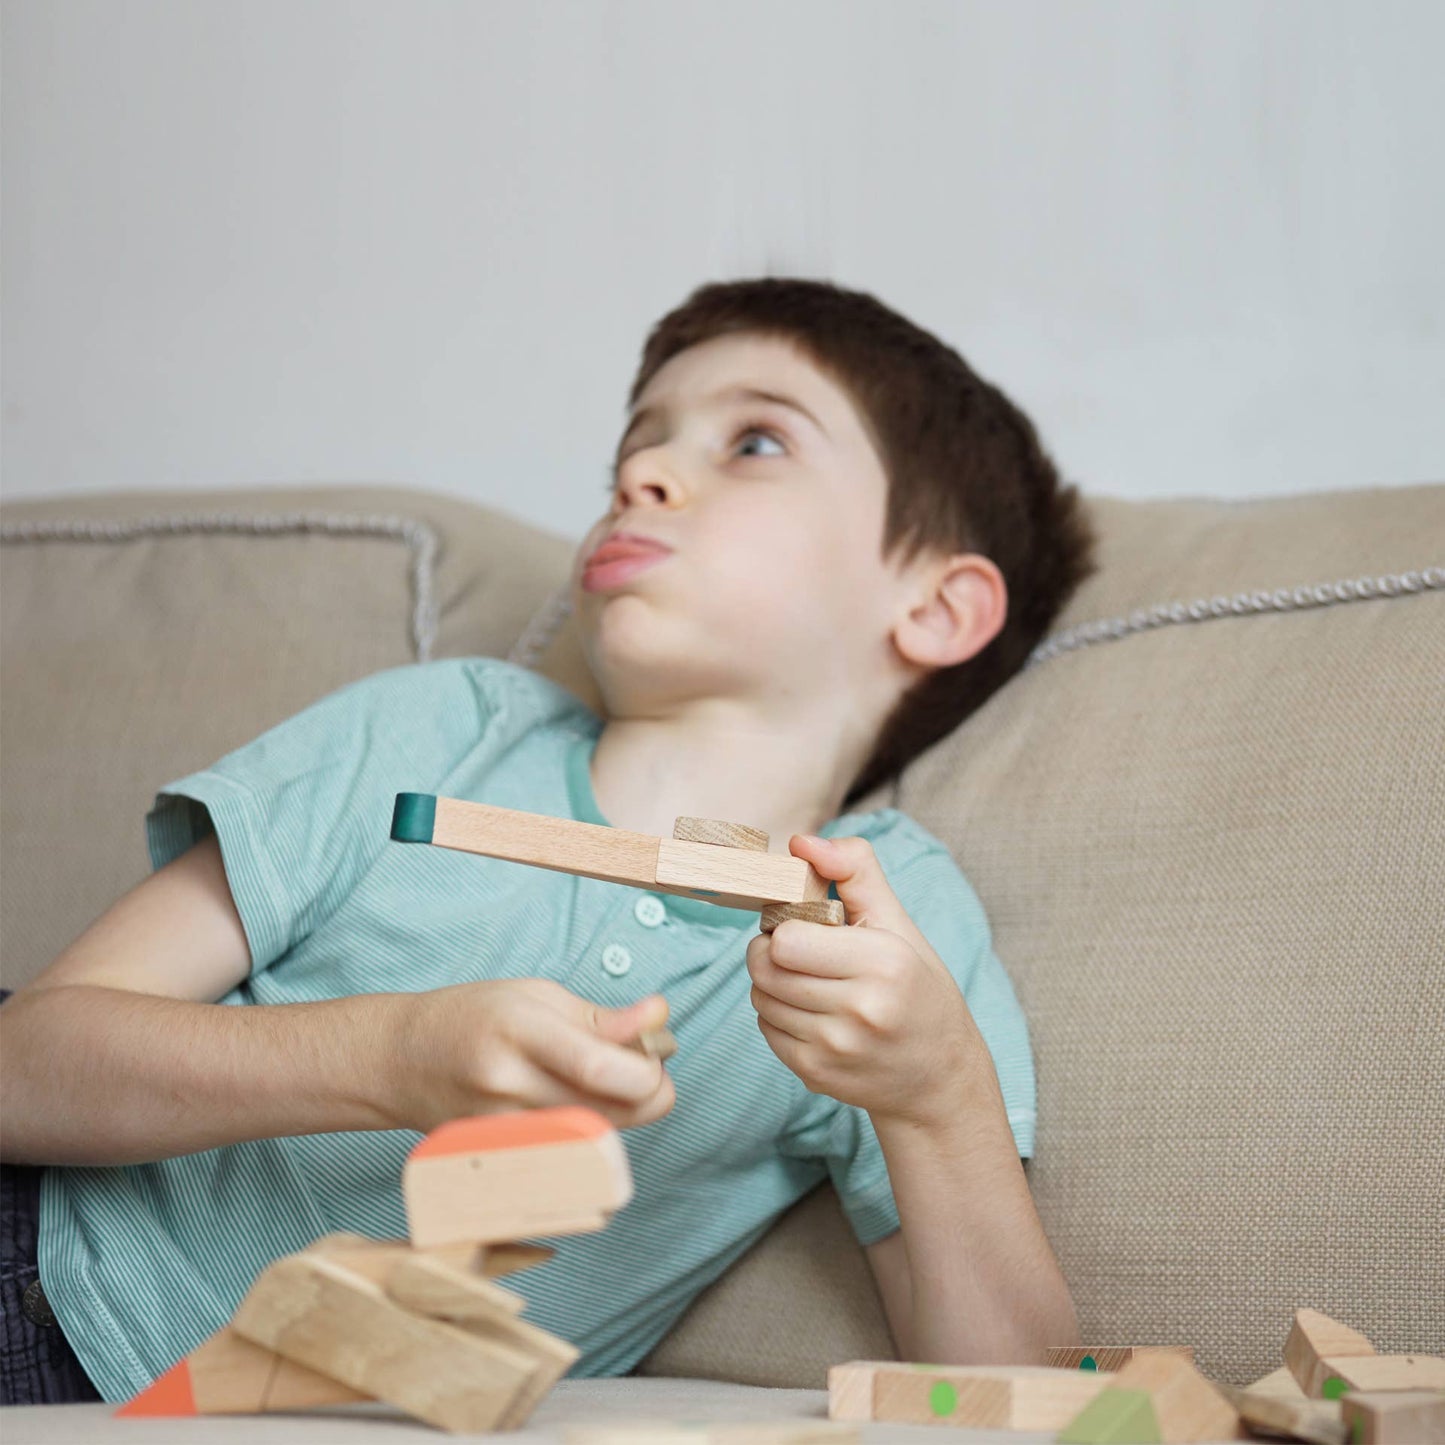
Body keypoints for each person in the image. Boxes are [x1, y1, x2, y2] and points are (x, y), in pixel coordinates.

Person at [0, 275, 1097, 1407]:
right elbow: (25, 1063)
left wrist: (936, 1096)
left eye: (754, 441)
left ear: (934, 607)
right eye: (636, 443)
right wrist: (389, 1057)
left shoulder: (894, 922)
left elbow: (1015, 1393)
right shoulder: (441, 730)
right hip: (37, 1249)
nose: (639, 474)